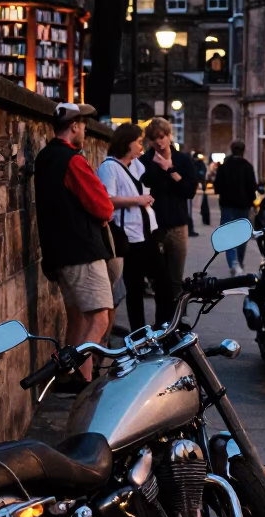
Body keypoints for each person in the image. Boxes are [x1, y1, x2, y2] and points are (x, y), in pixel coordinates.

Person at [33, 103, 114, 387]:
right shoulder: (73, 160)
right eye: (84, 125)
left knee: (78, 319)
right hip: (82, 251)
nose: (86, 131)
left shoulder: (44, 158)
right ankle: (73, 371)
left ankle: (79, 378)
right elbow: (103, 208)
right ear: (75, 127)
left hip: (59, 253)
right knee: (99, 319)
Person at [96, 124, 160, 335]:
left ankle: (161, 328)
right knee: (134, 288)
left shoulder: (133, 165)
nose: (141, 145)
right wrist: (138, 200)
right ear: (127, 142)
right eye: (138, 141)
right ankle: (140, 333)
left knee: (162, 283)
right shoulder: (109, 167)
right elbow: (107, 199)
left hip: (145, 232)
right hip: (128, 236)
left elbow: (145, 178)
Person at [141, 118, 197, 323]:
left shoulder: (182, 160)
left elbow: (190, 191)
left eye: (162, 137)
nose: (159, 142)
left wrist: (170, 169)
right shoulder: (145, 162)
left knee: (175, 280)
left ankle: (175, 323)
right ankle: (160, 323)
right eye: (154, 139)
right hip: (153, 228)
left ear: (169, 135)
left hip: (177, 226)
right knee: (158, 281)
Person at [213, 139, 258, 275]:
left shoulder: (224, 167)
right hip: (243, 206)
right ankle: (240, 260)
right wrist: (252, 201)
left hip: (227, 205)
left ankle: (233, 261)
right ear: (243, 151)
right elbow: (252, 188)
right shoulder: (247, 167)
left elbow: (217, 187)